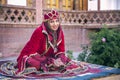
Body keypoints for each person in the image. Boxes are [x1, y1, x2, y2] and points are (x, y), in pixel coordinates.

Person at [15, 10, 86, 75]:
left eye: (57, 21)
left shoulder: (59, 32)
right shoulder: (39, 31)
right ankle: (49, 66)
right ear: (47, 22)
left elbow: (61, 51)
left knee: (64, 60)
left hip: (47, 56)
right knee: (33, 63)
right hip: (30, 55)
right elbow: (32, 53)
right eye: (52, 22)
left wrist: (60, 60)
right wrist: (50, 61)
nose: (55, 24)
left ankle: (51, 66)